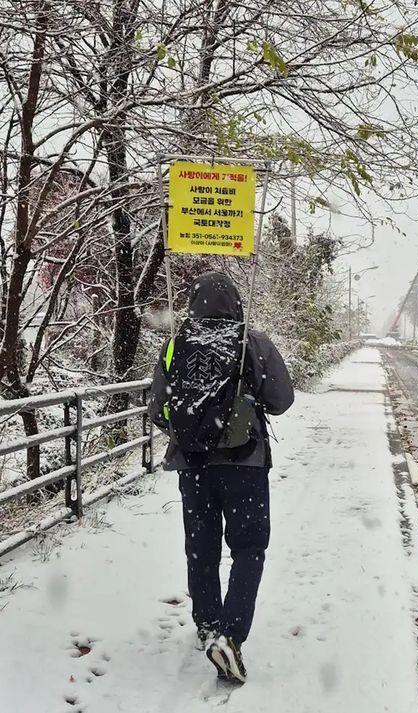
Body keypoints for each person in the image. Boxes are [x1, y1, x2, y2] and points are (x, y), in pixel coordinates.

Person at [149, 271, 294, 684]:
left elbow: (158, 409)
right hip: (245, 464)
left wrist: (195, 434)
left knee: (202, 547)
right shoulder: (254, 342)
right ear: (236, 303)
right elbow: (282, 401)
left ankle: (208, 624)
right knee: (248, 547)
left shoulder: (176, 344)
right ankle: (231, 634)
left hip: (192, 467)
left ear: (191, 304)